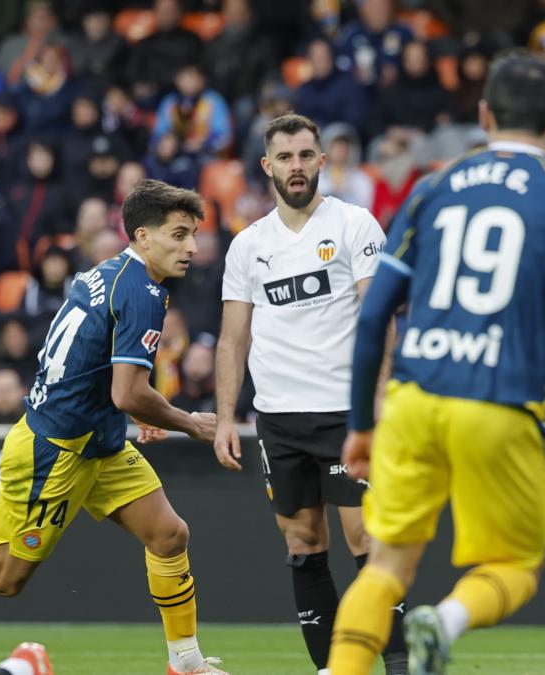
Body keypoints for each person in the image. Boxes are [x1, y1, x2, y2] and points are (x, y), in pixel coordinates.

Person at [327, 53, 545, 675]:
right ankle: (447, 620)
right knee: (514, 568)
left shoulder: (431, 187)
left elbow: (374, 314)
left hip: (412, 400)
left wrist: (360, 423)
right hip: (499, 401)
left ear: (483, 114)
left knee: (386, 568)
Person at [0, 180, 228, 675]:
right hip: (54, 450)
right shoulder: (141, 290)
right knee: (2, 577)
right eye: (179, 235)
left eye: (193, 235)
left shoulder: (108, 272)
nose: (192, 248)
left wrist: (134, 408)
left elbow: (99, 364)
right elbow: (126, 391)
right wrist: (188, 423)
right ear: (142, 235)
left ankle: (186, 663)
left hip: (97, 441)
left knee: (168, 534)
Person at [213, 112, 408, 675]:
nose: (296, 167)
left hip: (347, 412)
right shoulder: (249, 245)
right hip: (278, 419)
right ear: (266, 166)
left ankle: (396, 662)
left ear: (322, 161)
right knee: (303, 544)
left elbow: (379, 318)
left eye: (306, 155)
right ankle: (330, 669)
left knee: (366, 536)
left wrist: (380, 397)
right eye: (285, 157)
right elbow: (233, 337)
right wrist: (226, 417)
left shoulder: (355, 225)